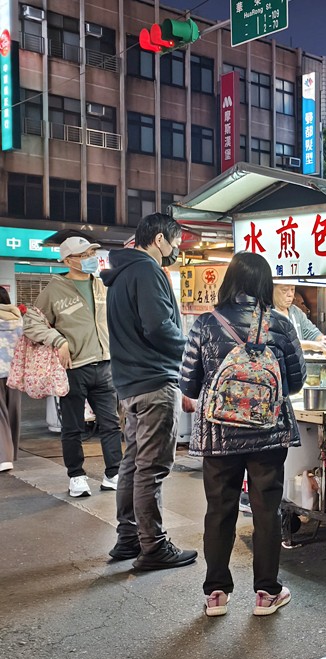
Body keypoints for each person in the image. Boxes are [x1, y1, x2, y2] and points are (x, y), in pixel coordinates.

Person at [179, 252, 306, 617]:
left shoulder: (205, 323)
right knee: (267, 511)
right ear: (264, 284)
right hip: (268, 435)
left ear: (229, 281)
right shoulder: (279, 324)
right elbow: (294, 383)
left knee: (219, 510)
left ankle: (216, 594)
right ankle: (267, 594)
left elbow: (188, 382)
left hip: (219, 435)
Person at [101, 214, 196, 570]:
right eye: (174, 243)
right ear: (159, 239)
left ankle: (128, 539)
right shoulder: (147, 271)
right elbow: (159, 328)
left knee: (133, 463)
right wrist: (192, 353)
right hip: (154, 383)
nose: (175, 251)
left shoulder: (121, 274)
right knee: (151, 468)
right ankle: (153, 547)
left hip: (129, 384)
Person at [24, 236, 122, 498]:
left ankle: (114, 472)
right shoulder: (54, 290)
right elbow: (32, 324)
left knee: (111, 424)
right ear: (68, 260)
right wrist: (58, 340)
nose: (90, 257)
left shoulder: (102, 285)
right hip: (74, 368)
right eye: (84, 254)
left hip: (105, 365)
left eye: (92, 252)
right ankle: (76, 476)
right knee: (72, 426)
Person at [273, 283, 326, 355]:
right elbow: (282, 342)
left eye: (292, 289)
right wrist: (312, 345)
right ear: (272, 290)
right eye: (284, 290)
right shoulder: (267, 314)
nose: (290, 294)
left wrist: (324, 340)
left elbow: (312, 333)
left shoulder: (296, 312)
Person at [0, 288, 23, 473]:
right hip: (15, 371)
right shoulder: (18, 318)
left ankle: (4, 458)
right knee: (13, 411)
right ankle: (12, 452)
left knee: (1, 415)